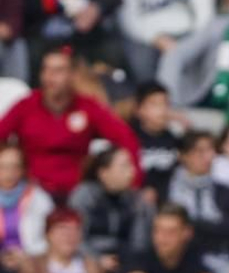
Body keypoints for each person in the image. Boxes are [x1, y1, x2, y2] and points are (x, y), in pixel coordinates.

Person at [0, 46, 142, 199]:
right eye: (46, 70)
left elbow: (126, 138)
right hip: (32, 191)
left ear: (72, 75)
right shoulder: (26, 106)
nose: (50, 77)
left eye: (58, 71)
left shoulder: (87, 107)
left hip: (75, 192)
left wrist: (135, 184)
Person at [164, 131, 229, 269]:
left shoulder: (225, 192)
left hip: (221, 258)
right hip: (176, 262)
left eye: (211, 150)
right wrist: (213, 227)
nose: (208, 157)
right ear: (183, 155)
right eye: (200, 151)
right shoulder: (165, 188)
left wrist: (194, 226)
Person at [66, 148, 150, 273]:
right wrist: (97, 259)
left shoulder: (135, 199)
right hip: (88, 259)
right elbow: (76, 238)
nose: (131, 172)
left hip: (123, 261)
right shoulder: (84, 195)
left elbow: (139, 243)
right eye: (124, 166)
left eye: (131, 165)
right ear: (103, 173)